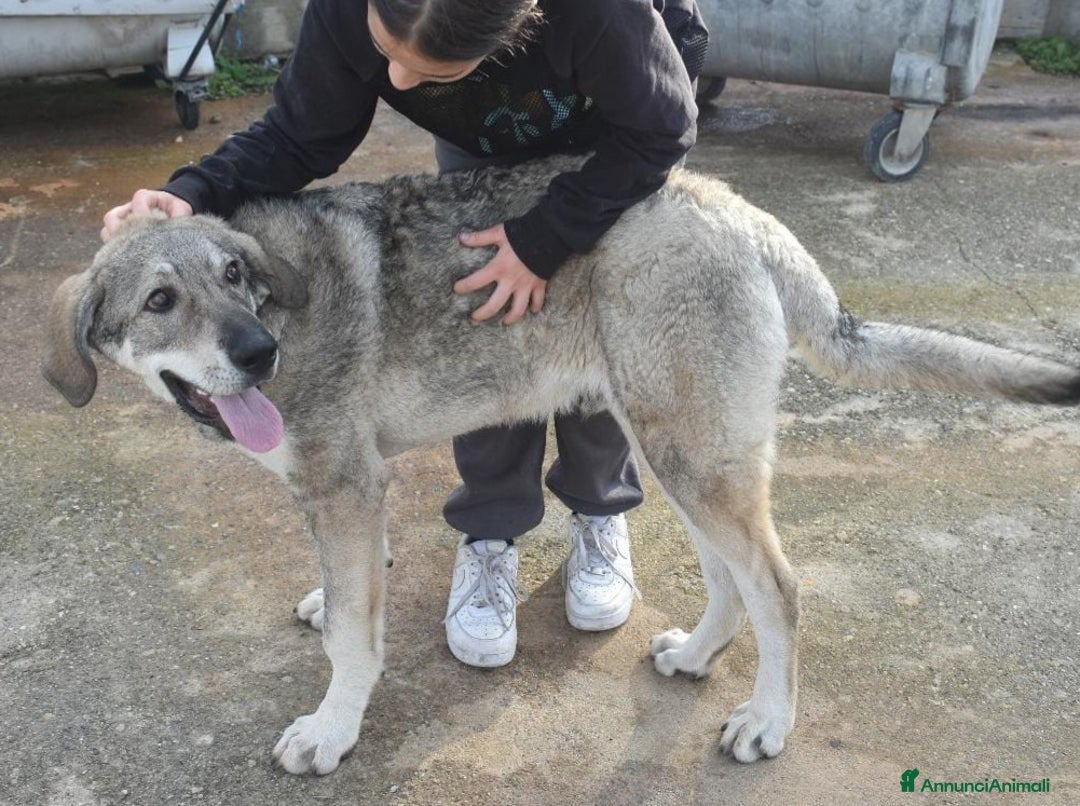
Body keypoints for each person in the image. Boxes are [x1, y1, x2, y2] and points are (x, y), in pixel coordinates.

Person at [102, 0, 708, 669]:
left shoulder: (596, 13)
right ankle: (490, 532)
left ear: (517, 27)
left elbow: (661, 128)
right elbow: (302, 133)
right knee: (480, 316)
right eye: (385, 48)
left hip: (620, 123)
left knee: (590, 331)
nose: (395, 78)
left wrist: (545, 239)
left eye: (427, 68)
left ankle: (599, 509)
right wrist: (193, 191)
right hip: (485, 133)